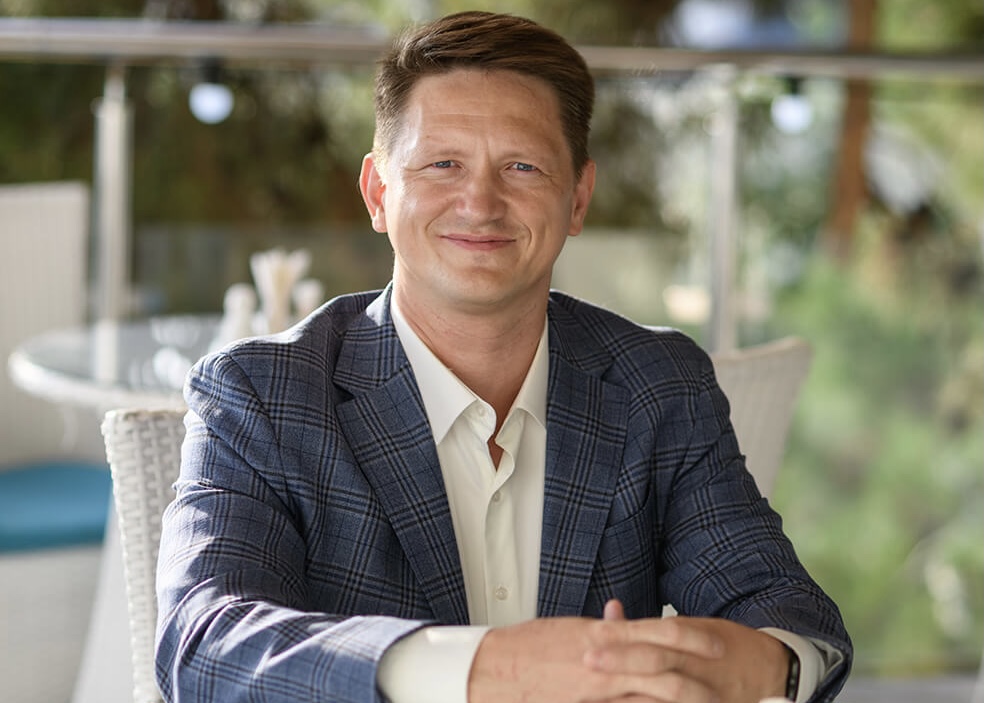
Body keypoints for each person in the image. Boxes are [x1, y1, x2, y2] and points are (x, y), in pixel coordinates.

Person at [156, 10, 852, 703]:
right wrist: (489, 668)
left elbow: (787, 614)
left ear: (578, 198)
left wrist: (758, 665)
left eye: (522, 166)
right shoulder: (260, 393)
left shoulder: (660, 383)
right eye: (443, 164)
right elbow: (204, 643)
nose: (480, 202)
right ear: (378, 192)